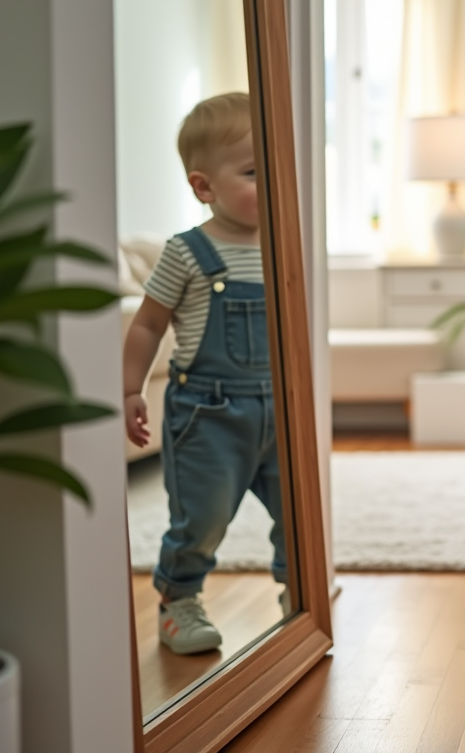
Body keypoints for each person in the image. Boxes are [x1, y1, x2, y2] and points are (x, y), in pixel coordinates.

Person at [122, 92, 288, 656]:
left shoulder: (283, 248)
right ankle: (179, 601)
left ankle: (300, 590)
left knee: (298, 511)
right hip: (208, 415)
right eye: (250, 172)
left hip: (279, 410)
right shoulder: (187, 253)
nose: (269, 184)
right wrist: (130, 387)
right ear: (204, 187)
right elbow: (146, 325)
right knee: (202, 516)